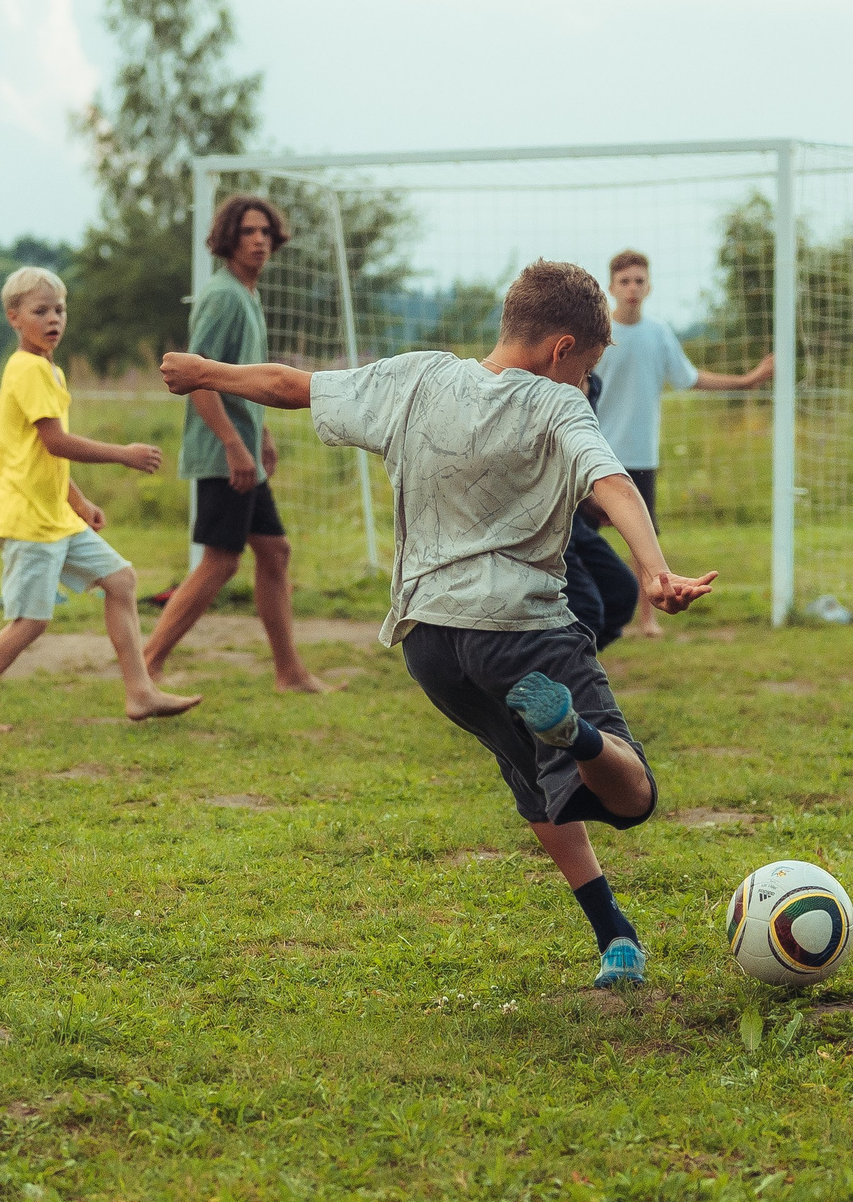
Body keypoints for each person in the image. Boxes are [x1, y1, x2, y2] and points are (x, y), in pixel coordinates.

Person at [159, 260, 718, 989]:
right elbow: (611, 481)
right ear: (561, 349)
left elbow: (292, 385)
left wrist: (206, 372)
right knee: (634, 794)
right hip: (522, 633)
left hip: (430, 643)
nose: (585, 384)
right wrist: (654, 568)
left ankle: (615, 935)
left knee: (536, 785)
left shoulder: (417, 377)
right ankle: (576, 733)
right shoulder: (559, 403)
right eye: (586, 368)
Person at [0, 266, 202, 734]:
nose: (53, 319)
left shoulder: (49, 371)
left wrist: (77, 500)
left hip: (53, 514)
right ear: (14, 317)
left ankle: (140, 693)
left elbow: (41, 453)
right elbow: (57, 442)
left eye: (59, 309)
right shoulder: (28, 369)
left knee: (120, 580)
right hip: (26, 518)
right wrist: (123, 454)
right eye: (40, 311)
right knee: (30, 622)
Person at [142, 194, 330, 694]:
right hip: (222, 455)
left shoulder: (248, 293)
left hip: (245, 450)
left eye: (265, 232)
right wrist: (233, 443)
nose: (259, 240)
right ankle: (146, 666)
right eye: (248, 232)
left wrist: (260, 432)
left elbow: (238, 377)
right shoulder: (223, 296)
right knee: (221, 561)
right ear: (229, 239)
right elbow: (196, 376)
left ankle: (289, 673)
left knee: (275, 552)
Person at [599, 248, 772, 638]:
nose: (632, 288)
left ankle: (648, 619)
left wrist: (746, 381)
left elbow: (689, 378)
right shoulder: (599, 334)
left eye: (639, 280)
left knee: (644, 541)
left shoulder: (658, 334)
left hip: (640, 455)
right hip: (594, 455)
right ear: (611, 287)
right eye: (624, 281)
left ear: (649, 286)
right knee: (576, 538)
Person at [564, 372, 638, 652]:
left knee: (621, 592)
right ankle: (559, 668)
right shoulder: (541, 387)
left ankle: (574, 664)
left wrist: (590, 501)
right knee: (586, 610)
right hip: (543, 522)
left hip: (573, 516)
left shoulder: (593, 385)